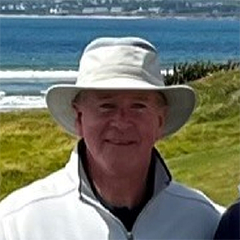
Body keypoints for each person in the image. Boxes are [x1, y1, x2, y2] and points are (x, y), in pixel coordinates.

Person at [0, 36, 224, 239]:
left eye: (138, 106)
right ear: (79, 118)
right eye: (106, 106)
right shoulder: (19, 223)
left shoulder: (205, 221)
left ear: (160, 120)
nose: (122, 121)